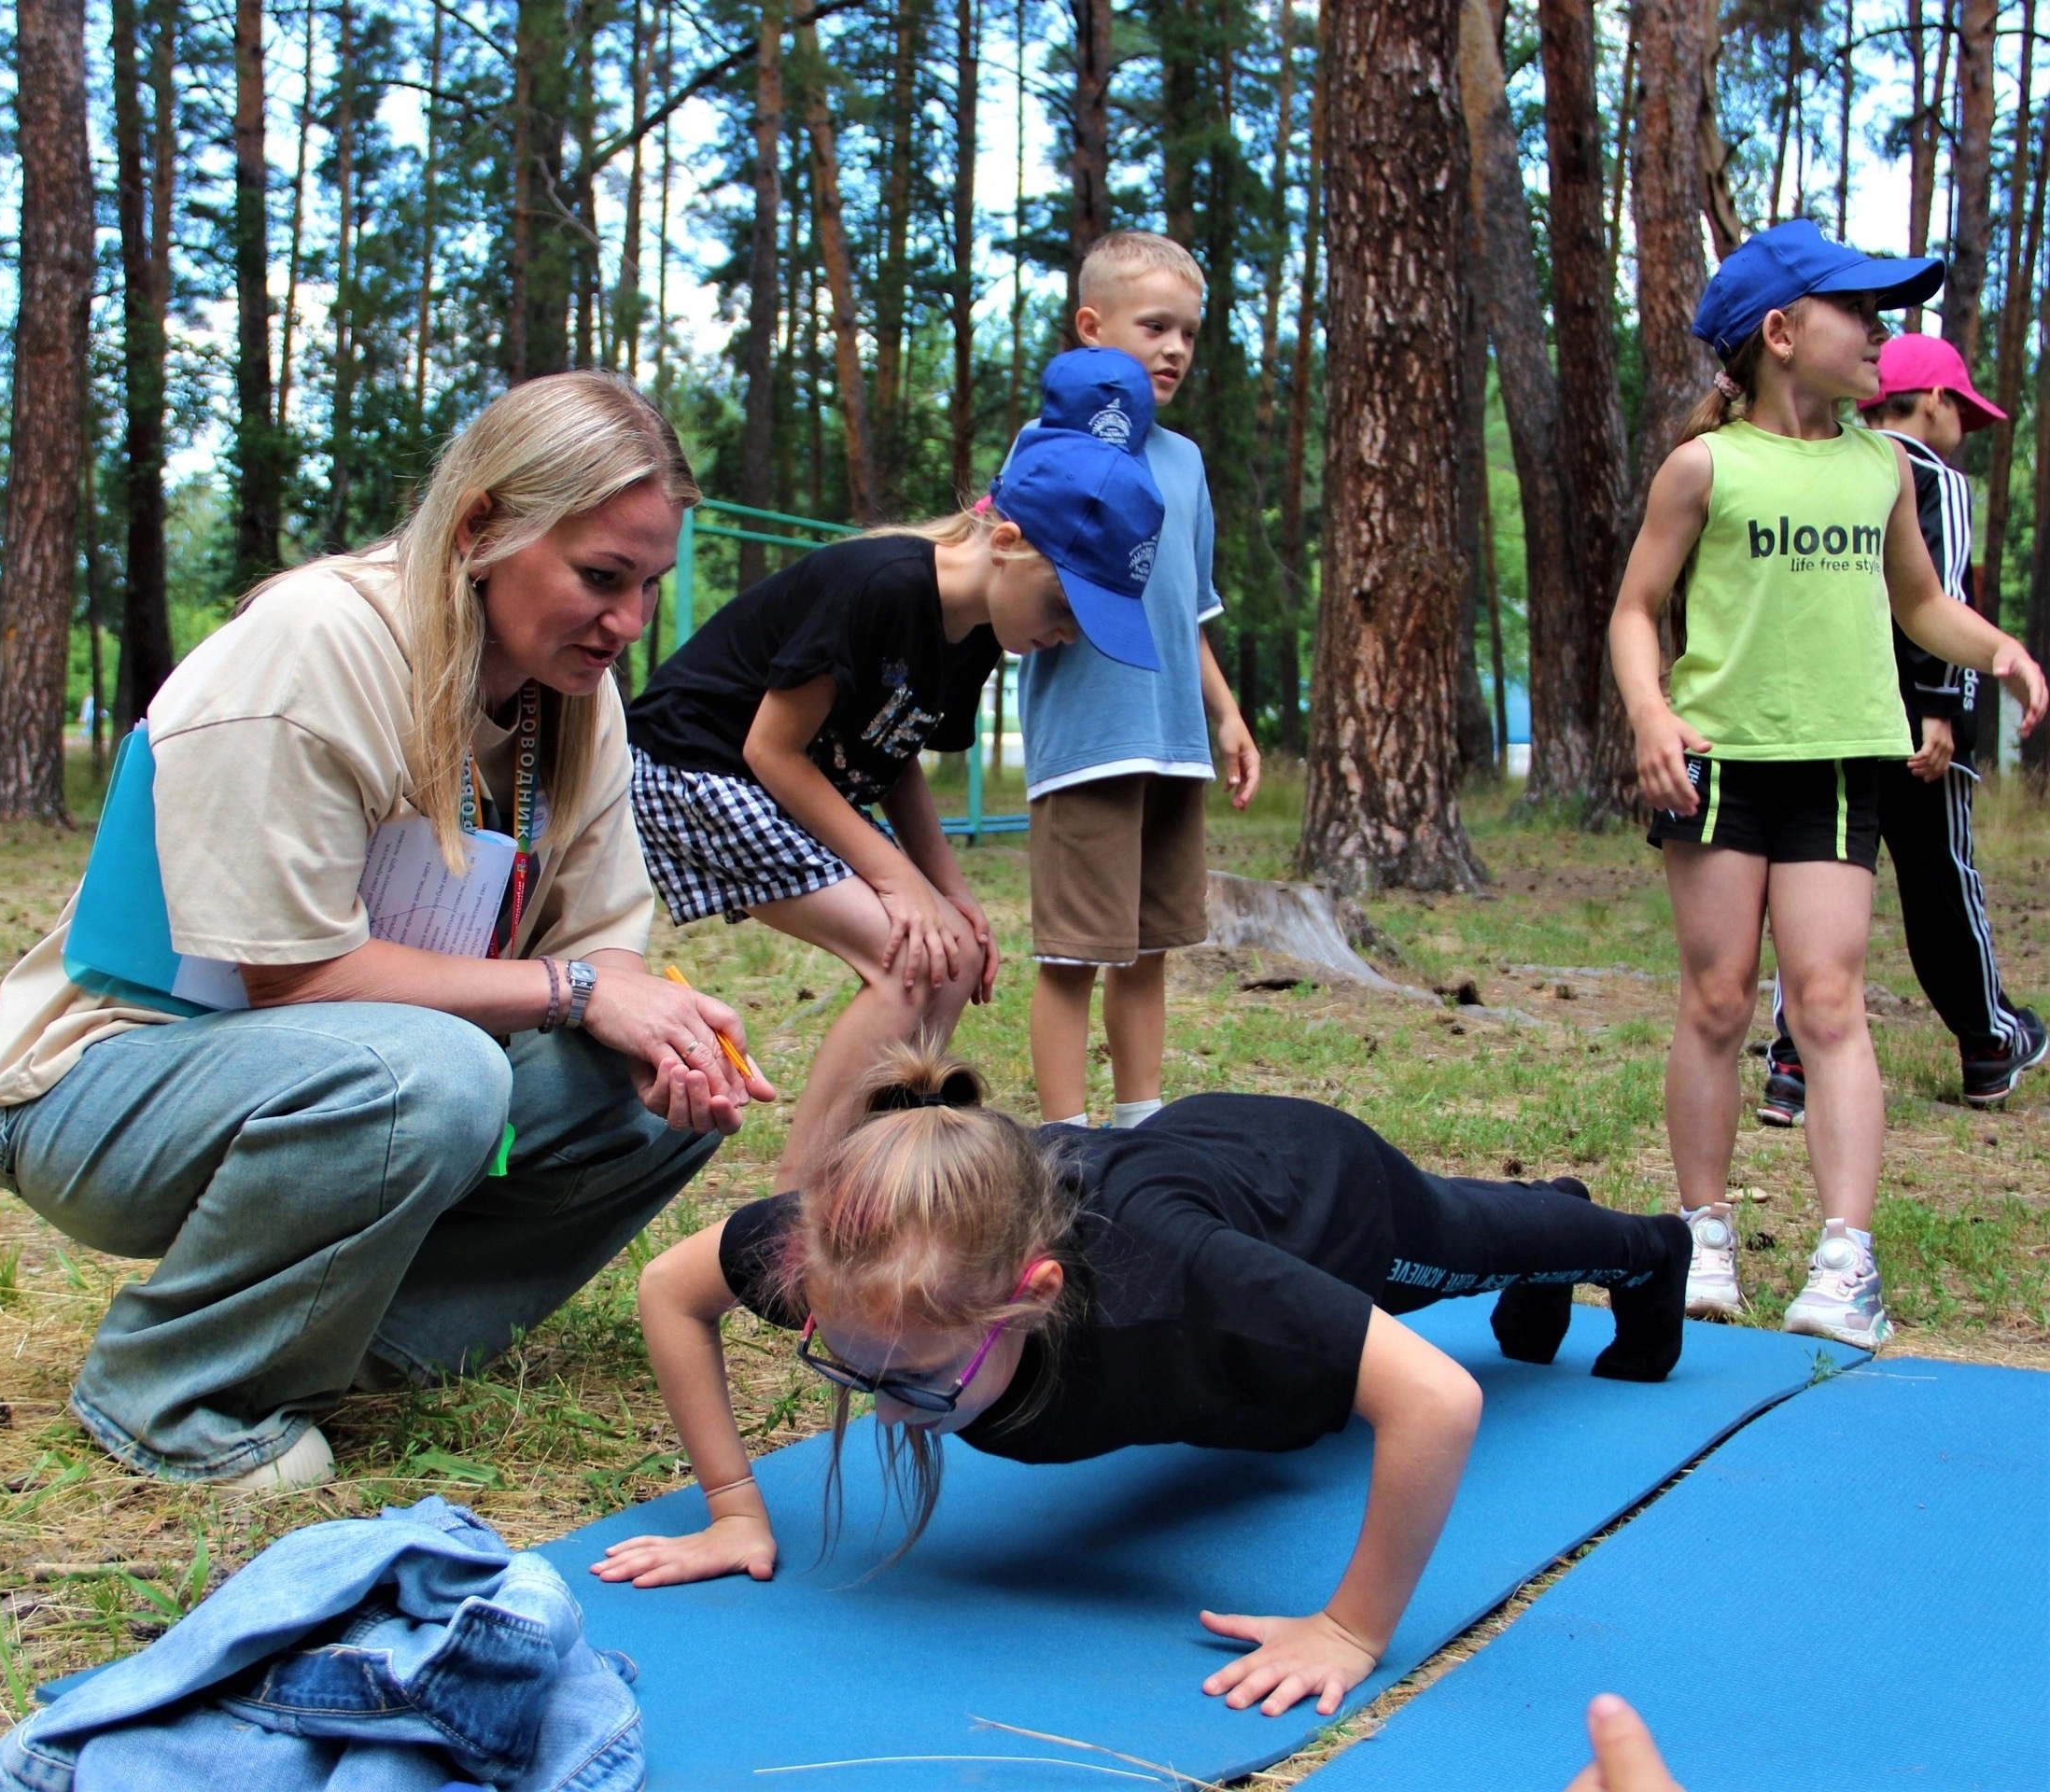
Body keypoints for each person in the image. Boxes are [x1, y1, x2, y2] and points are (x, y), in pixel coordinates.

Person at [0, 373, 775, 1491]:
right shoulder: (317, 645)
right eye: (601, 578)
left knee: (673, 1072)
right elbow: (296, 982)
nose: (628, 624)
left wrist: (644, 1014)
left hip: (358, 1061)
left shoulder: (573, 697)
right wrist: (577, 993)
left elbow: (606, 946)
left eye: (646, 585)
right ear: (480, 528)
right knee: (433, 1074)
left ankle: (358, 1348)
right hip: (108, 1084)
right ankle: (168, 1391)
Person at [592, 1051, 1691, 1720]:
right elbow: (665, 1292)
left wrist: (1351, 1633)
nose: (884, 1406)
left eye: (918, 1381)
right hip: (1169, 1169)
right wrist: (734, 1510)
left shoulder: (1180, 1278)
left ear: (1033, 1295)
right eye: (854, 1366)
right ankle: (1545, 1243)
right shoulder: (859, 1254)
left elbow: (1436, 1400)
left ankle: (1639, 1248)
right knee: (1479, 1253)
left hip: (1304, 1186)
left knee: (1460, 1243)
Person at [1608, 220, 2047, 1351]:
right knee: (1715, 998)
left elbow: (1916, 602)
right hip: (1720, 767)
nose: (1881, 333)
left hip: (1839, 768)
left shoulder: (1880, 466)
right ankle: (1700, 1233)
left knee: (1829, 1003)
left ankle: (1841, 1258)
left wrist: (1994, 647)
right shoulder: (1705, 465)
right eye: (1859, 310)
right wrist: (1653, 714)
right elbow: (1633, 612)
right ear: (1781, 332)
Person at [626, 348, 1170, 1190]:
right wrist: (898, 884)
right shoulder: (881, 585)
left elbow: (897, 755)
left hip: (788, 782)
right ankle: (802, 1201)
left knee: (947, 953)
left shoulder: (983, 631)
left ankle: (880, 1170)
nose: (1068, 634)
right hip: (694, 768)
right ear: (1008, 541)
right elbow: (771, 749)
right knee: (902, 955)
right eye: (1065, 606)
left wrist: (949, 891)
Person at [1761, 332, 2045, 1123]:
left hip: (1834, 722)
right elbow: (1937, 594)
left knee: (1811, 884)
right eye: (1965, 412)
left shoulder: (1837, 465)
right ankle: (1990, 1042)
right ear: (1936, 401)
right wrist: (1943, 707)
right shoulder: (1926, 476)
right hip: (1918, 730)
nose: (1966, 433)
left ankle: (1791, 1060)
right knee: (1943, 883)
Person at [1013, 232, 1261, 1134]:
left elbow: (1189, 608)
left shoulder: (1186, 461)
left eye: (1189, 334)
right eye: (1154, 325)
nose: (1175, 349)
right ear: (1091, 328)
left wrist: (1226, 716)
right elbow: (1010, 584)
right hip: (1086, 743)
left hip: (1174, 740)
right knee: (1075, 954)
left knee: (1151, 947)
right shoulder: (1046, 445)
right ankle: (1066, 1142)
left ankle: (1141, 1126)